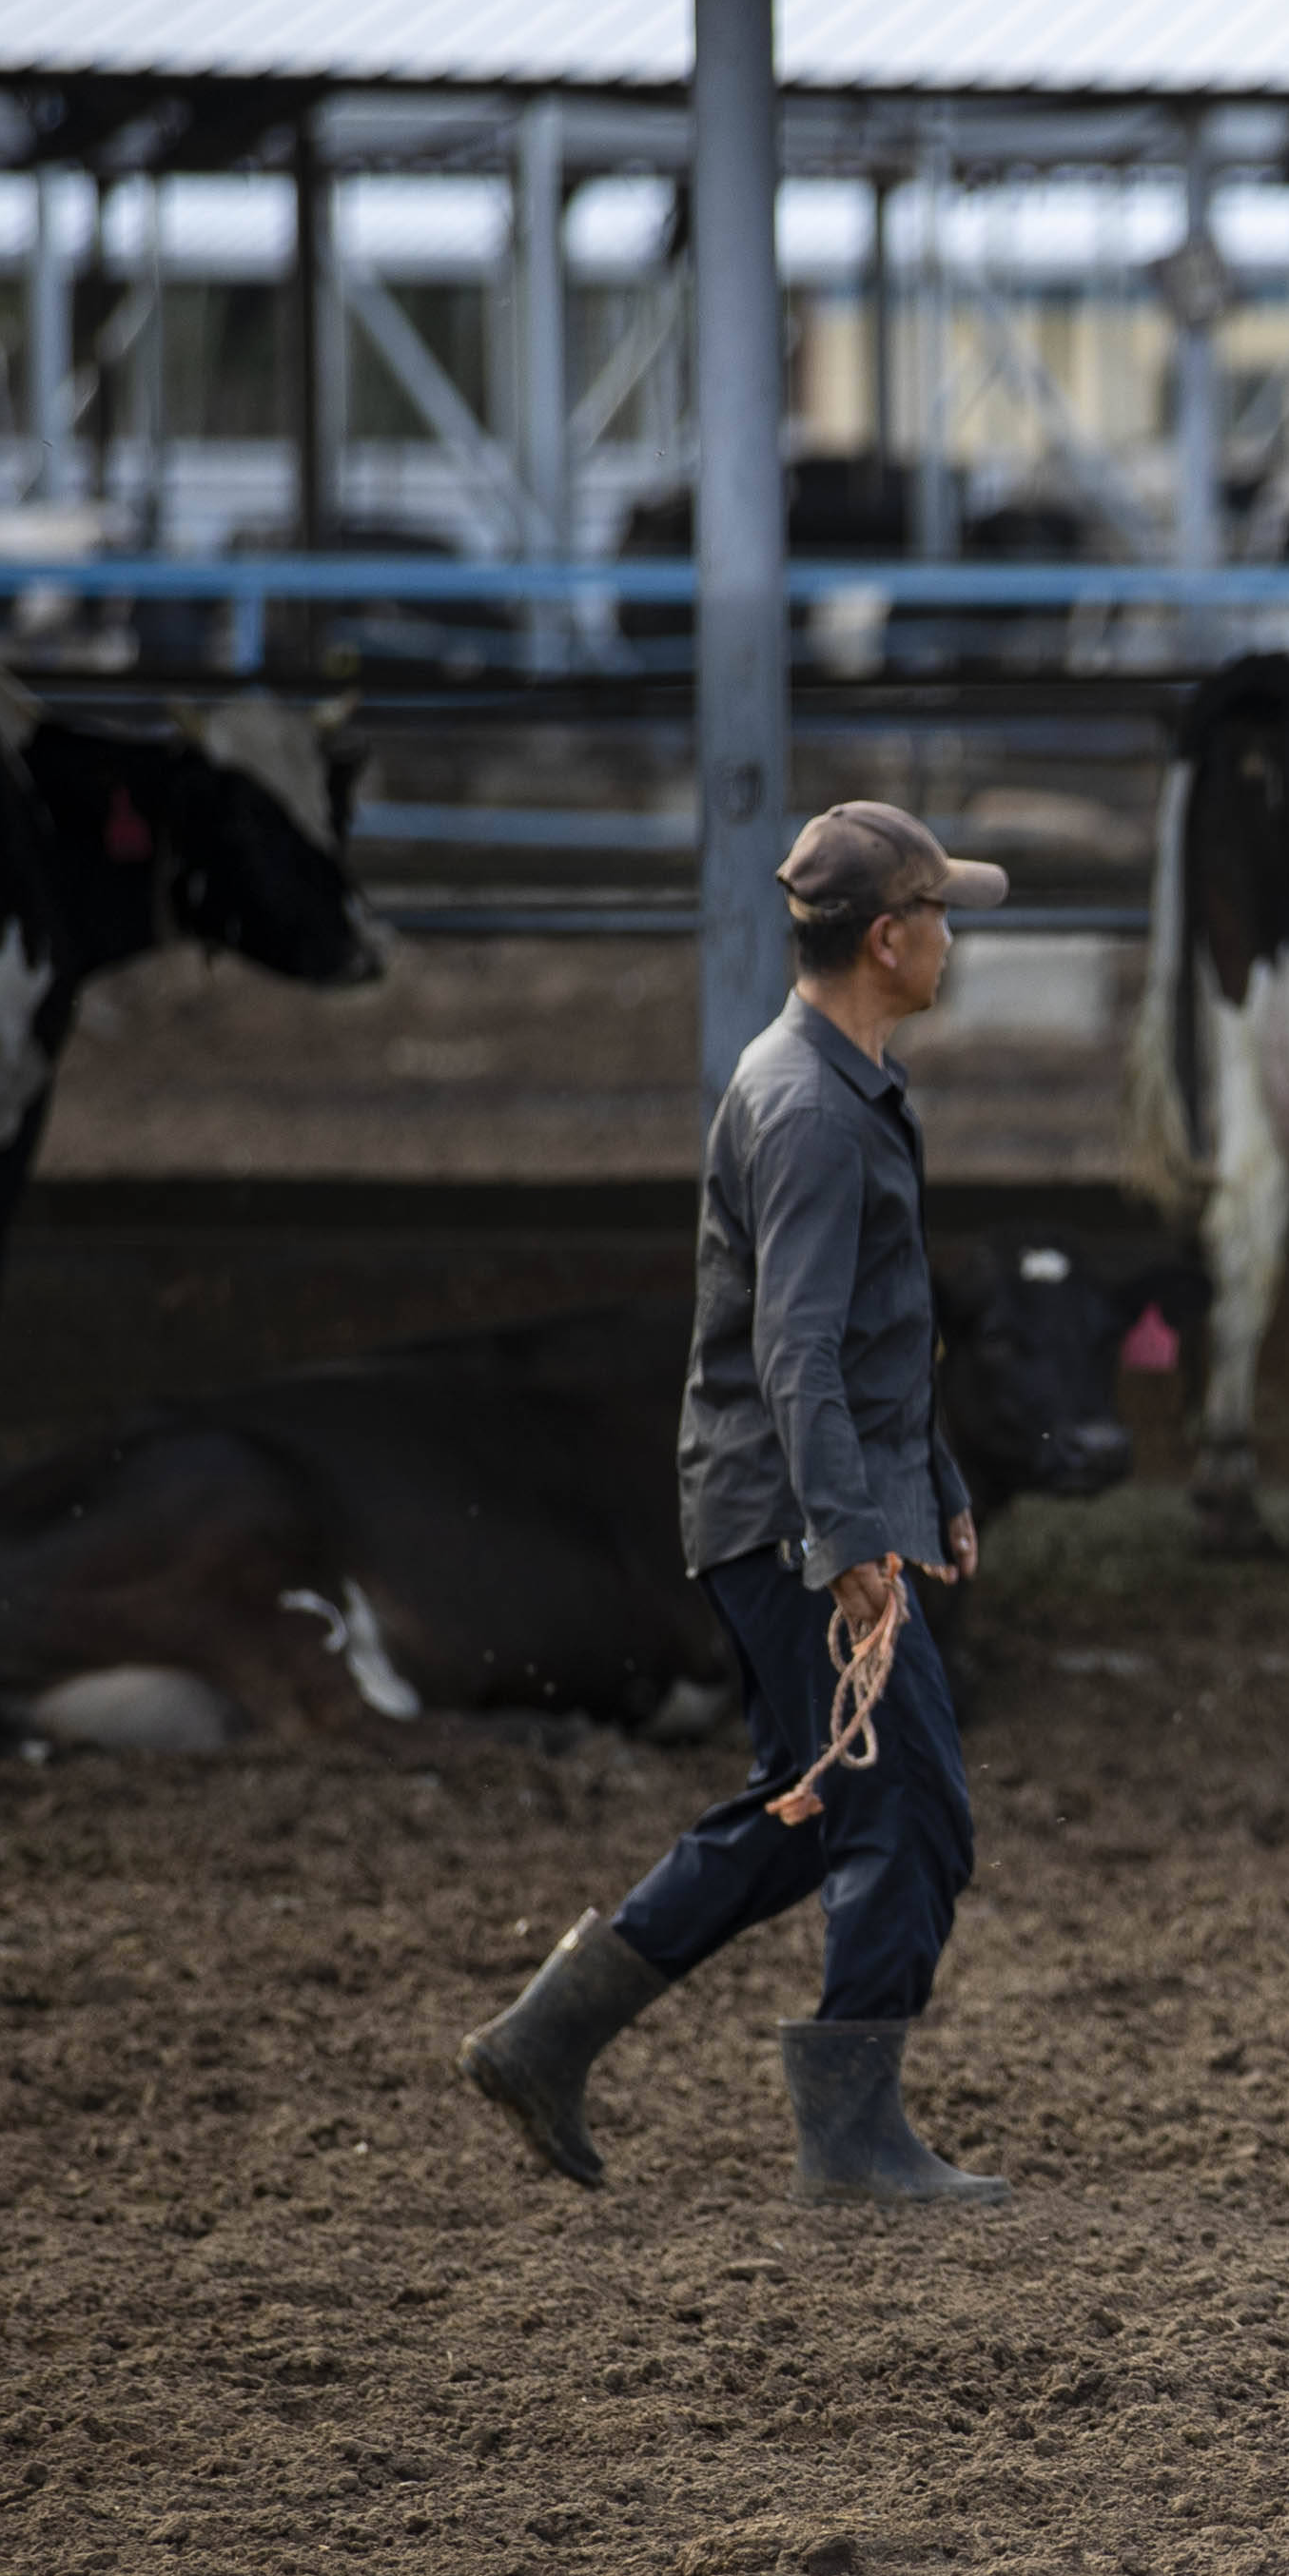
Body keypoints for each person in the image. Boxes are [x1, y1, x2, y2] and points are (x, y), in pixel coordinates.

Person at [459, 802, 1013, 2207]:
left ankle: (550, 2035)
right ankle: (852, 2137)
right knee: (912, 1810)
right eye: (940, 914)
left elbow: (876, 1339)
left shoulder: (838, 1083)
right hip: (791, 1516)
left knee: (813, 1807)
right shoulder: (813, 1112)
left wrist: (933, 1481)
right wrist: (846, 1537)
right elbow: (796, 1350)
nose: (952, 938)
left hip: (793, 1503)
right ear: (884, 941)